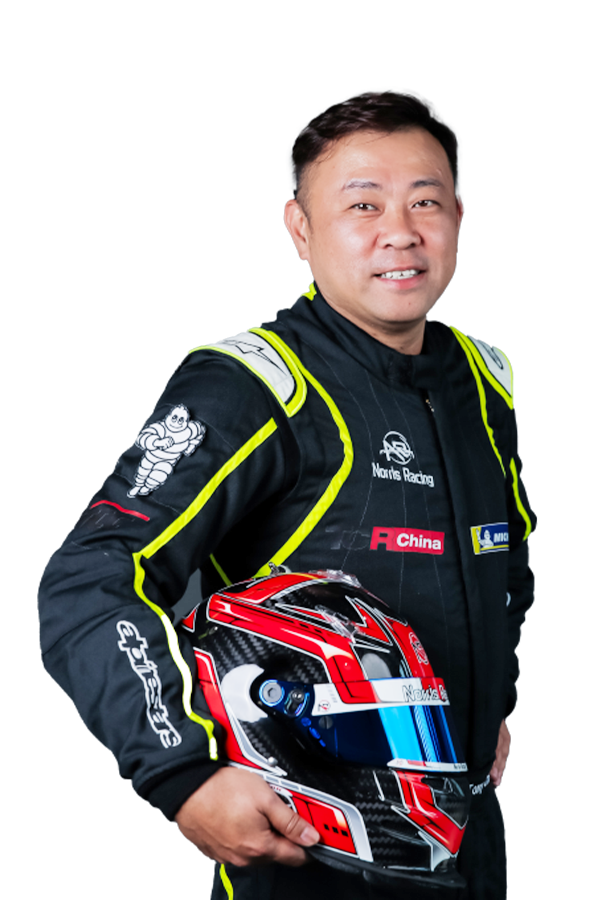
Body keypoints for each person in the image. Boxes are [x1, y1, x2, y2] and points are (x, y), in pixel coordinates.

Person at [39, 91, 535, 900]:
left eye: (425, 202)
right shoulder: (254, 386)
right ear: (301, 231)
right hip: (308, 853)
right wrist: (182, 773)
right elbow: (88, 580)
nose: (400, 232)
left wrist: (494, 706)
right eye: (363, 205)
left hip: (468, 836)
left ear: (458, 218)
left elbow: (506, 561)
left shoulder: (481, 380)